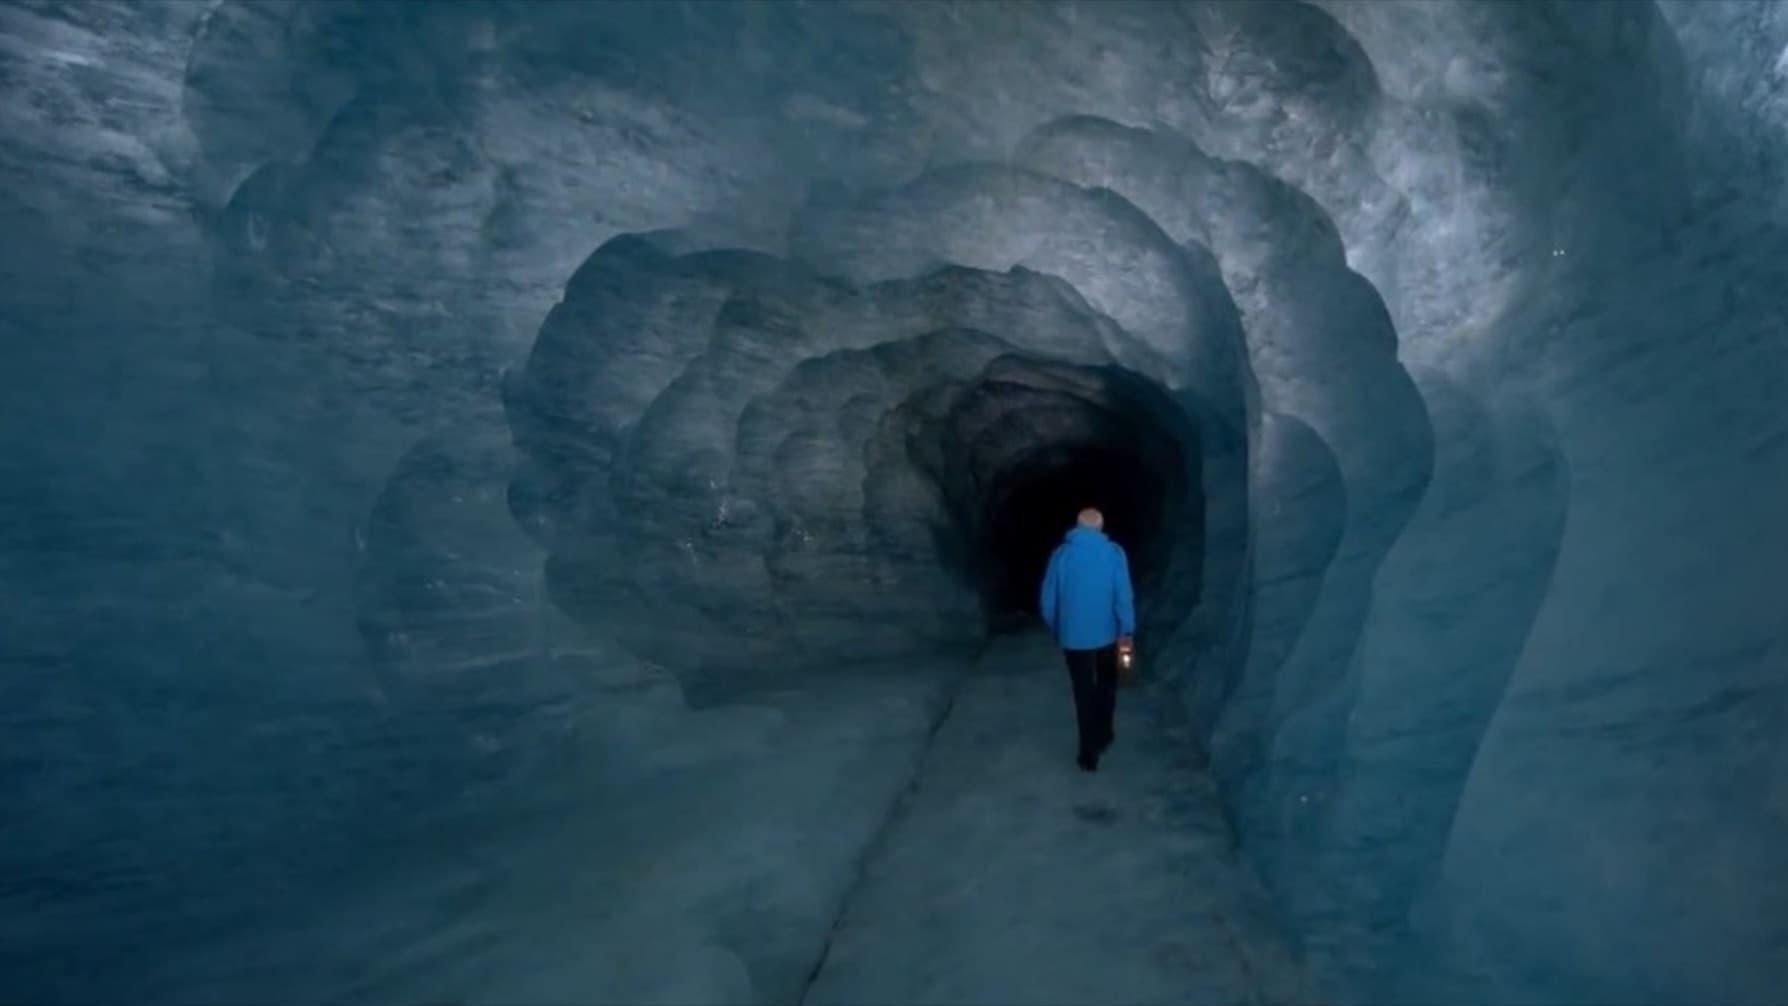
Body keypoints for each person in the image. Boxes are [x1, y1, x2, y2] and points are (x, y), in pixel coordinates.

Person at [1038, 507, 1136, 772]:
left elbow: (1049, 598)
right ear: (1100, 527)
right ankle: (1104, 733)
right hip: (1107, 635)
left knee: (1083, 692)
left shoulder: (1062, 556)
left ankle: (1087, 753)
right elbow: (1123, 595)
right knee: (1107, 684)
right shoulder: (1114, 554)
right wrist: (1126, 628)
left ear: (1078, 527)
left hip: (1073, 638)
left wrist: (1057, 626)